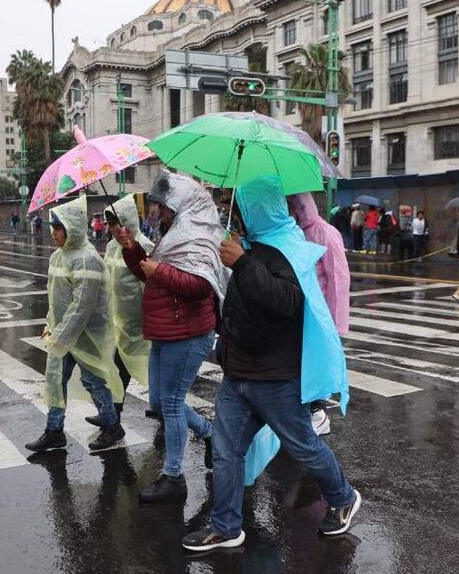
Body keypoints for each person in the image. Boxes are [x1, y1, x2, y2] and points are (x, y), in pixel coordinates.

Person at [183, 175, 359, 552]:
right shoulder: (250, 246)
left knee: (305, 446)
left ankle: (343, 497)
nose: (241, 215)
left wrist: (244, 262)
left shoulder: (291, 248)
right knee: (226, 450)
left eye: (244, 207)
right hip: (239, 374)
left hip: (276, 377)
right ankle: (226, 526)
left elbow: (286, 302)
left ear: (258, 208)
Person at [120, 171, 228, 503]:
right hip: (166, 330)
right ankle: (209, 433)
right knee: (160, 402)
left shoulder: (197, 239)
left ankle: (174, 476)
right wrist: (131, 248)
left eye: (164, 207)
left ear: (179, 206)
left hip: (189, 333)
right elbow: (149, 274)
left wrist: (159, 271)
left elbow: (199, 287)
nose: (159, 212)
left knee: (170, 402)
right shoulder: (173, 236)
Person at [25, 196, 126, 454]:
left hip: (86, 336)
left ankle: (112, 426)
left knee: (94, 381)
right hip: (62, 334)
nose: (54, 233)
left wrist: (62, 335)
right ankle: (54, 430)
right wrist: (50, 325)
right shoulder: (58, 257)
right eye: (53, 227)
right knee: (55, 380)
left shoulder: (86, 259)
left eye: (58, 228)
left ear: (73, 228)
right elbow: (54, 296)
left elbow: (82, 306)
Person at [289, 192, 351, 436]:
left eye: (294, 205)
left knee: (314, 363)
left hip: (319, 312)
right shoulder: (296, 232)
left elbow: (339, 278)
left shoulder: (325, 232)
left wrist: (336, 323)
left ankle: (318, 411)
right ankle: (309, 410)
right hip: (301, 310)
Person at [97, 196, 153, 427]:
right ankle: (112, 416)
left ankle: (112, 419)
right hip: (119, 321)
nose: (112, 229)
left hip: (141, 324)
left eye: (115, 223)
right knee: (119, 369)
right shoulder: (111, 247)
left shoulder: (144, 247)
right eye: (109, 224)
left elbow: (150, 285)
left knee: (135, 370)